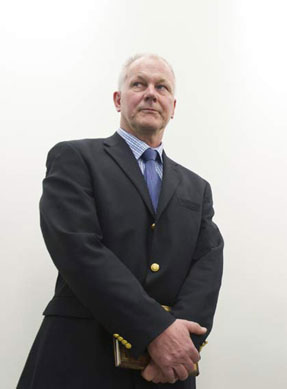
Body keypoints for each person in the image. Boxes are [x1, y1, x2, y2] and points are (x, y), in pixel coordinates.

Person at [18, 54, 223, 388]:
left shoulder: (197, 188)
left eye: (162, 87)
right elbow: (78, 250)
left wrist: (182, 342)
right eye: (138, 84)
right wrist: (157, 331)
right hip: (80, 359)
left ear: (173, 105)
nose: (150, 93)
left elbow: (207, 267)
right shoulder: (75, 158)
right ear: (118, 99)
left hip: (168, 371)